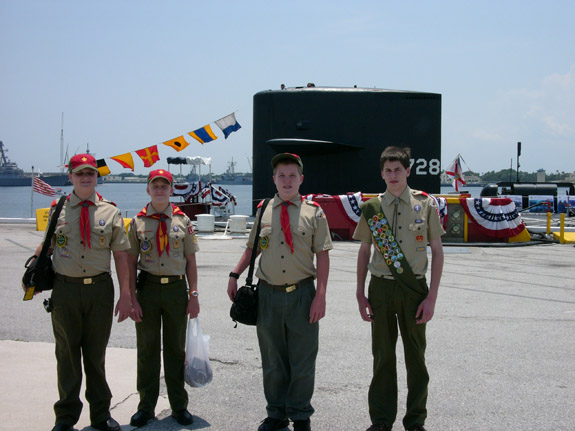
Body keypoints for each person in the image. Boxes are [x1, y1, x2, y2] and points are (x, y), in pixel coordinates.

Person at [27, 154, 133, 431]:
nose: (86, 178)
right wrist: (31, 271)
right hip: (65, 291)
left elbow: (121, 255)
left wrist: (126, 294)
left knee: (96, 357)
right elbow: (48, 244)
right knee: (67, 355)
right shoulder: (58, 209)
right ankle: (65, 418)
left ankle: (101, 415)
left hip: (99, 291)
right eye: (80, 173)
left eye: (91, 173)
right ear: (71, 176)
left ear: (97, 177)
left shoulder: (110, 211)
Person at [227, 153, 332, 431]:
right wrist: (234, 275)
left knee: (303, 360)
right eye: (281, 175)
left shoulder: (314, 212)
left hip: (302, 294)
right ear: (273, 179)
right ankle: (276, 413)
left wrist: (320, 296)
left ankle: (300, 415)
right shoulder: (263, 210)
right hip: (268, 295)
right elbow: (252, 249)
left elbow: (322, 255)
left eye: (292, 175)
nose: (287, 180)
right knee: (273, 360)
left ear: (301, 179)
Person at [354, 146, 445, 431]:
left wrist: (431, 297)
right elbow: (364, 250)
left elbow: (438, 252)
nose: (393, 175)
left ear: (408, 171)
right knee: (382, 356)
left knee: (416, 358)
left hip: (414, 289)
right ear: (381, 173)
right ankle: (381, 421)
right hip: (380, 288)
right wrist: (360, 292)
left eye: (398, 170)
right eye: (387, 170)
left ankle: (416, 421)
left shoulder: (426, 204)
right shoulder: (372, 208)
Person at [126, 169, 199, 428]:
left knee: (175, 350)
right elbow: (130, 262)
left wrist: (194, 294)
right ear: (148, 190)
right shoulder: (137, 223)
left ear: (171, 190)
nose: (159, 190)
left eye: (164, 186)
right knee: (147, 350)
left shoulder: (183, 222)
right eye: (154, 186)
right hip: (146, 290)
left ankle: (179, 406)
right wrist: (130, 297)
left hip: (176, 291)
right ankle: (145, 407)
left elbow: (191, 261)